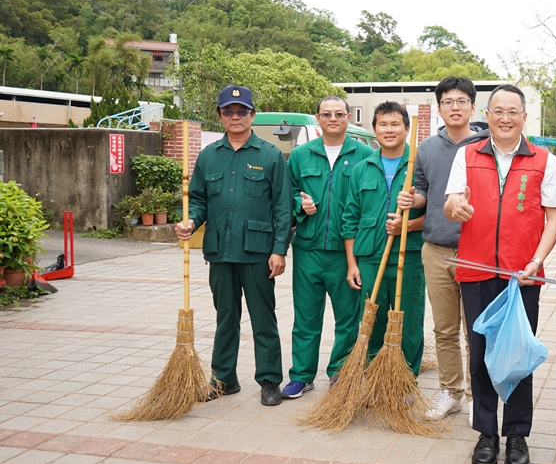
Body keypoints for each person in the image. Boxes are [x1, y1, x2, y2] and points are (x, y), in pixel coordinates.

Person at [444, 84, 556, 464]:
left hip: (521, 278)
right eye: (498, 111)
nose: (506, 118)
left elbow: (555, 217)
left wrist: (537, 260)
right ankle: (486, 433)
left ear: (524, 117)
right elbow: (451, 203)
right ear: (487, 114)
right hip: (476, 272)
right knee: (479, 357)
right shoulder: (467, 155)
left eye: (513, 111)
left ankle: (516, 435)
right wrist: (455, 205)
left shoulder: (544, 160)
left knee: (517, 357)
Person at [174, 85, 292, 406]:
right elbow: (197, 200)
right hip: (220, 252)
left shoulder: (269, 156)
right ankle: (223, 379)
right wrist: (190, 222)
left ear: (252, 115)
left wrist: (279, 249)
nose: (236, 117)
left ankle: (269, 380)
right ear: (220, 116)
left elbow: (283, 207)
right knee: (226, 316)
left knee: (263, 318)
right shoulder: (209, 156)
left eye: (242, 111)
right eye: (229, 111)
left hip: (258, 253)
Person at [396, 77, 490, 420]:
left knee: (476, 329)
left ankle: (481, 397)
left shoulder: (487, 145)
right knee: (445, 329)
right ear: (439, 108)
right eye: (448, 101)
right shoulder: (427, 149)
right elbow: (423, 189)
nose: (455, 107)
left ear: (473, 107)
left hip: (476, 250)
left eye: (462, 101)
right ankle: (451, 391)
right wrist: (412, 198)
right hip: (436, 249)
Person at [281, 96, 373, 399]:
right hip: (307, 248)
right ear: (317, 118)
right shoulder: (300, 155)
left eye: (339, 114)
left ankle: (340, 373)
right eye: (326, 114)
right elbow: (287, 195)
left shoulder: (364, 155)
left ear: (348, 118)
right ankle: (301, 376)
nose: (333, 119)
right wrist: (299, 203)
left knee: (348, 317)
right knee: (305, 317)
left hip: (345, 252)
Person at [340, 102, 426, 374]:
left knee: (409, 322)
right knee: (372, 321)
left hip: (409, 257)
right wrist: (352, 264)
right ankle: (375, 378)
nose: (389, 130)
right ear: (374, 129)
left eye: (395, 124)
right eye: (383, 125)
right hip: (369, 257)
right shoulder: (362, 168)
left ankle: (406, 380)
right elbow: (349, 219)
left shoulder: (420, 165)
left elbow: (435, 214)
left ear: (406, 128)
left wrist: (407, 226)